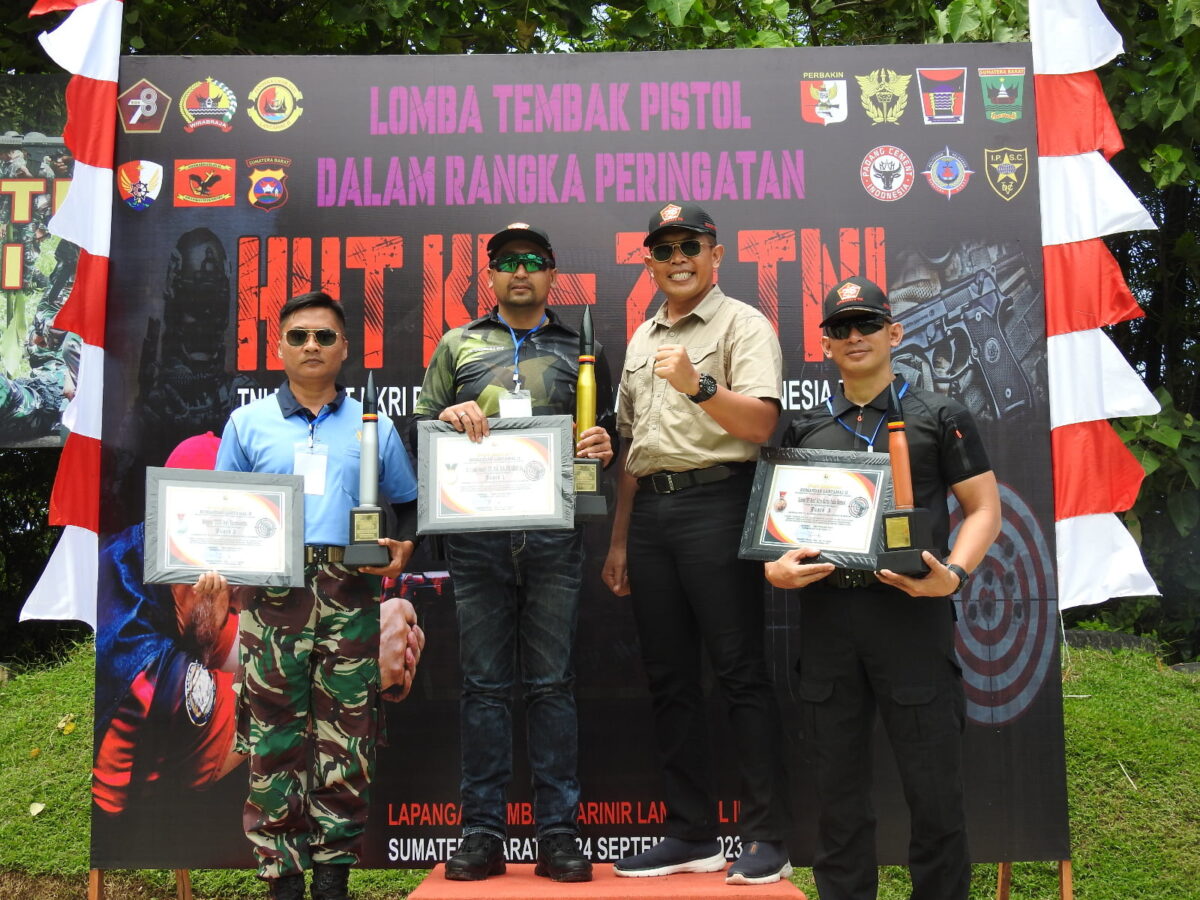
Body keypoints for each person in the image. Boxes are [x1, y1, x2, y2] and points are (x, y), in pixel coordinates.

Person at [764, 276, 1001, 900]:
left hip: (911, 617)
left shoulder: (939, 415)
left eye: (867, 323)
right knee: (837, 799)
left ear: (893, 333)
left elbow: (984, 509)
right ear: (825, 344)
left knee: (935, 793)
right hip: (828, 622)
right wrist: (774, 570)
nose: (855, 336)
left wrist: (954, 575)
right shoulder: (804, 428)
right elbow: (778, 532)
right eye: (840, 328)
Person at [414, 222, 616, 883]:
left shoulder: (581, 348)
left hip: (555, 539)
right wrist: (445, 419)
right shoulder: (457, 344)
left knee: (553, 684)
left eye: (532, 260)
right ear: (491, 275)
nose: (519, 271)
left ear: (552, 271)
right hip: (476, 539)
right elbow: (420, 428)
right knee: (484, 686)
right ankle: (481, 833)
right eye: (506, 262)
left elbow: (605, 431)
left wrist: (604, 444)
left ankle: (559, 834)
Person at [601, 202, 792, 885]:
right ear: (650, 262)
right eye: (664, 249)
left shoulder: (744, 323)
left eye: (690, 246)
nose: (677, 258)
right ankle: (691, 833)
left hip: (720, 500)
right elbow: (632, 448)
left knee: (740, 674)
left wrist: (700, 384)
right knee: (669, 678)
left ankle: (767, 835)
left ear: (716, 255)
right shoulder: (641, 336)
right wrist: (620, 540)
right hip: (652, 512)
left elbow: (763, 425)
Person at [216, 291, 419, 900]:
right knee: (271, 736)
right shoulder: (247, 424)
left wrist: (404, 545)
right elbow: (217, 510)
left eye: (325, 336)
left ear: (344, 348)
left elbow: (409, 503)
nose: (312, 346)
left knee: (347, 734)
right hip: (272, 591)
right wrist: (210, 568)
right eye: (299, 336)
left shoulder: (372, 425)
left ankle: (333, 877)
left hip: (349, 589)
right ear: (278, 347)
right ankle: (282, 878)